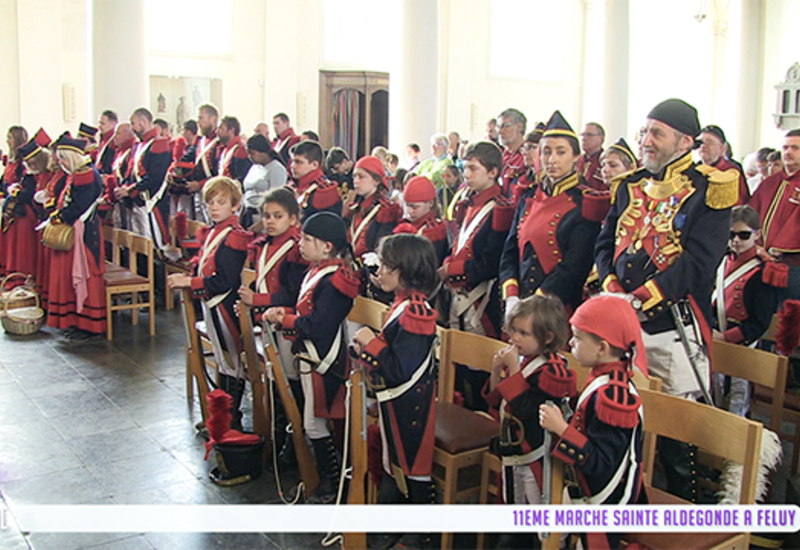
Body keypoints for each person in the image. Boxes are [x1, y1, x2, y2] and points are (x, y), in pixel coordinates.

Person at [595, 98, 737, 501]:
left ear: (684, 141)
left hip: (671, 322)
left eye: (656, 133)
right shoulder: (631, 184)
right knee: (622, 414)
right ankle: (628, 498)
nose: (646, 141)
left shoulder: (710, 188)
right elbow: (606, 241)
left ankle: (685, 510)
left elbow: (699, 262)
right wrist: (610, 284)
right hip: (622, 319)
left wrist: (643, 297)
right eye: (644, 132)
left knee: (676, 432)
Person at [264, 211, 359, 504]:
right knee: (313, 423)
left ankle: (333, 485)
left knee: (316, 423)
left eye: (307, 239)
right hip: (312, 358)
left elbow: (320, 325)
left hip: (326, 361)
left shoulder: (336, 280)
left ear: (327, 246)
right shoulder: (318, 271)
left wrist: (287, 321)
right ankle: (327, 481)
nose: (300, 244)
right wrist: (288, 315)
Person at [352, 234, 439, 550]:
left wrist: (369, 342)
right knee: (395, 461)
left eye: (387, 265)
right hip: (396, 399)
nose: (380, 271)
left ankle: (422, 534)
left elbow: (401, 369)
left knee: (412, 462)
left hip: (409, 403)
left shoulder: (415, 311)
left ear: (407, 268)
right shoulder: (403, 303)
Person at [540, 295, 647, 550]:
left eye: (577, 337)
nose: (570, 342)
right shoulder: (602, 377)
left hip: (607, 499)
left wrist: (561, 429)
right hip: (584, 483)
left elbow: (602, 464)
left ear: (602, 348)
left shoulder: (614, 397)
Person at [484, 294, 575, 550]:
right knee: (514, 511)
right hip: (513, 452)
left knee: (541, 520)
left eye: (523, 333)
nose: (514, 339)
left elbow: (527, 411)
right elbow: (495, 401)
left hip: (538, 457)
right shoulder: (523, 362)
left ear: (546, 337)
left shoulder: (553, 371)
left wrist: (513, 371)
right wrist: (495, 371)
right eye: (513, 331)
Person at [499, 110, 608, 315]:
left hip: (556, 309)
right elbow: (510, 250)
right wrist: (512, 295)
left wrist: (537, 302)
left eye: (561, 152)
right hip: (520, 303)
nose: (552, 159)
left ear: (576, 157)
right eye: (546, 152)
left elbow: (575, 266)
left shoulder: (585, 202)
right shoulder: (528, 196)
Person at [167, 176, 252, 430]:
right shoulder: (215, 231)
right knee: (224, 362)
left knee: (231, 363)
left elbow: (224, 281)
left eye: (222, 202)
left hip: (225, 306)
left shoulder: (234, 237)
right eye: (211, 203)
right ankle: (221, 419)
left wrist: (189, 283)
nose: (214, 208)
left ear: (235, 206)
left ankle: (230, 421)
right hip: (212, 304)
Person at [439, 141, 513, 410]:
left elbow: (492, 262)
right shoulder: (468, 203)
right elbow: (460, 244)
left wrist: (452, 270)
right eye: (465, 167)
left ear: (492, 172)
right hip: (459, 293)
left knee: (478, 366)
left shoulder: (500, 208)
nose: (466, 174)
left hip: (482, 300)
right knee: (458, 367)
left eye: (473, 168)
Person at [238, 187, 307, 463]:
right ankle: (278, 435)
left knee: (290, 381)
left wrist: (258, 299)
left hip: (287, 323)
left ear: (292, 218)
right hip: (267, 323)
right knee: (275, 383)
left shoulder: (296, 250)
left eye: (277, 216)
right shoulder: (264, 245)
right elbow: (262, 278)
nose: (270, 221)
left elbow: (292, 293)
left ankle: (294, 442)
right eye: (266, 215)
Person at [711, 205, 784, 416]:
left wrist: (726, 337)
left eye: (743, 235)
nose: (736, 241)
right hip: (715, 336)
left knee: (738, 397)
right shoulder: (721, 260)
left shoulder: (766, 271)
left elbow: (759, 322)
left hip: (743, 341)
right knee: (711, 391)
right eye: (731, 234)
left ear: (757, 234)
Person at [43, 134, 106, 340]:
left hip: (84, 235)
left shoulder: (85, 174)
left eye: (62, 157)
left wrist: (59, 215)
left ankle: (89, 324)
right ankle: (76, 320)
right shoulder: (78, 173)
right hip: (79, 231)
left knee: (85, 277)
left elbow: (77, 207)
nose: (60, 162)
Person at [749, 129, 800, 301]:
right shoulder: (770, 182)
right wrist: (754, 243)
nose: (788, 152)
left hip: (792, 266)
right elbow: (751, 213)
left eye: (795, 148)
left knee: (789, 317)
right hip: (759, 259)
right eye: (785, 148)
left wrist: (776, 250)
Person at [115, 107, 171, 248]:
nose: (132, 128)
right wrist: (124, 187)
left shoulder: (159, 144)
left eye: (133, 124)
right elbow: (131, 172)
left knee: (153, 245)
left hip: (150, 201)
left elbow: (155, 177)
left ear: (143, 122)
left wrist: (130, 190)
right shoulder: (139, 145)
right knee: (137, 245)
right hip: (137, 201)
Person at [170, 103, 222, 221]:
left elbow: (220, 173)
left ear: (212, 119)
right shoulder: (200, 141)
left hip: (215, 192)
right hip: (199, 193)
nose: (198, 122)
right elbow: (185, 160)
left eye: (201, 118)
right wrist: (174, 172)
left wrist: (200, 184)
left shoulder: (219, 142)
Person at [346, 156, 401, 263]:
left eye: (361, 177)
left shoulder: (385, 211)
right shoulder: (355, 208)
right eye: (354, 176)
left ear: (376, 181)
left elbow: (382, 248)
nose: (356, 181)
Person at [392, 176, 448, 265]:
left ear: (430, 203)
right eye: (407, 206)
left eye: (414, 207)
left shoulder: (434, 231)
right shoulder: (406, 223)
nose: (409, 211)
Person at [240, 134, 288, 228]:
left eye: (252, 153)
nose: (249, 157)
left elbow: (275, 199)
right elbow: (247, 192)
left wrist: (261, 224)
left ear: (263, 152)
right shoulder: (254, 167)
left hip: (260, 215)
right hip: (247, 211)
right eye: (248, 153)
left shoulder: (276, 169)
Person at [288, 140, 342, 222]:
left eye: (298, 162)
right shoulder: (292, 185)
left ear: (314, 165)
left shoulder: (324, 191)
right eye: (292, 161)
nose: (293, 166)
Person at [697, 124, 749, 204]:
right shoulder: (694, 170)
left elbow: (739, 202)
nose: (703, 146)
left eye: (709, 142)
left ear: (721, 148)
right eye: (700, 142)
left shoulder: (730, 172)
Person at [509, 124, 545, 205]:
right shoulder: (518, 179)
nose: (525, 152)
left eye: (531, 147)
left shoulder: (548, 184)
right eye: (524, 148)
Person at [497, 108, 527, 197]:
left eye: (505, 126)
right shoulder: (498, 154)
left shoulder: (526, 155)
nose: (500, 131)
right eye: (498, 127)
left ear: (519, 126)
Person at [217, 116, 251, 185]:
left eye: (221, 129)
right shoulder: (225, 149)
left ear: (231, 130)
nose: (217, 132)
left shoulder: (240, 151)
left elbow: (241, 178)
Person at [576, 122, 606, 190]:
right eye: (582, 135)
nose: (584, 138)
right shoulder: (576, 160)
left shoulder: (606, 162)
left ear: (601, 138)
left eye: (589, 135)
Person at [95, 110, 118, 175]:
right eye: (99, 123)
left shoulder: (114, 142)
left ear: (113, 124)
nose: (99, 126)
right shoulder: (101, 139)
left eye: (103, 123)